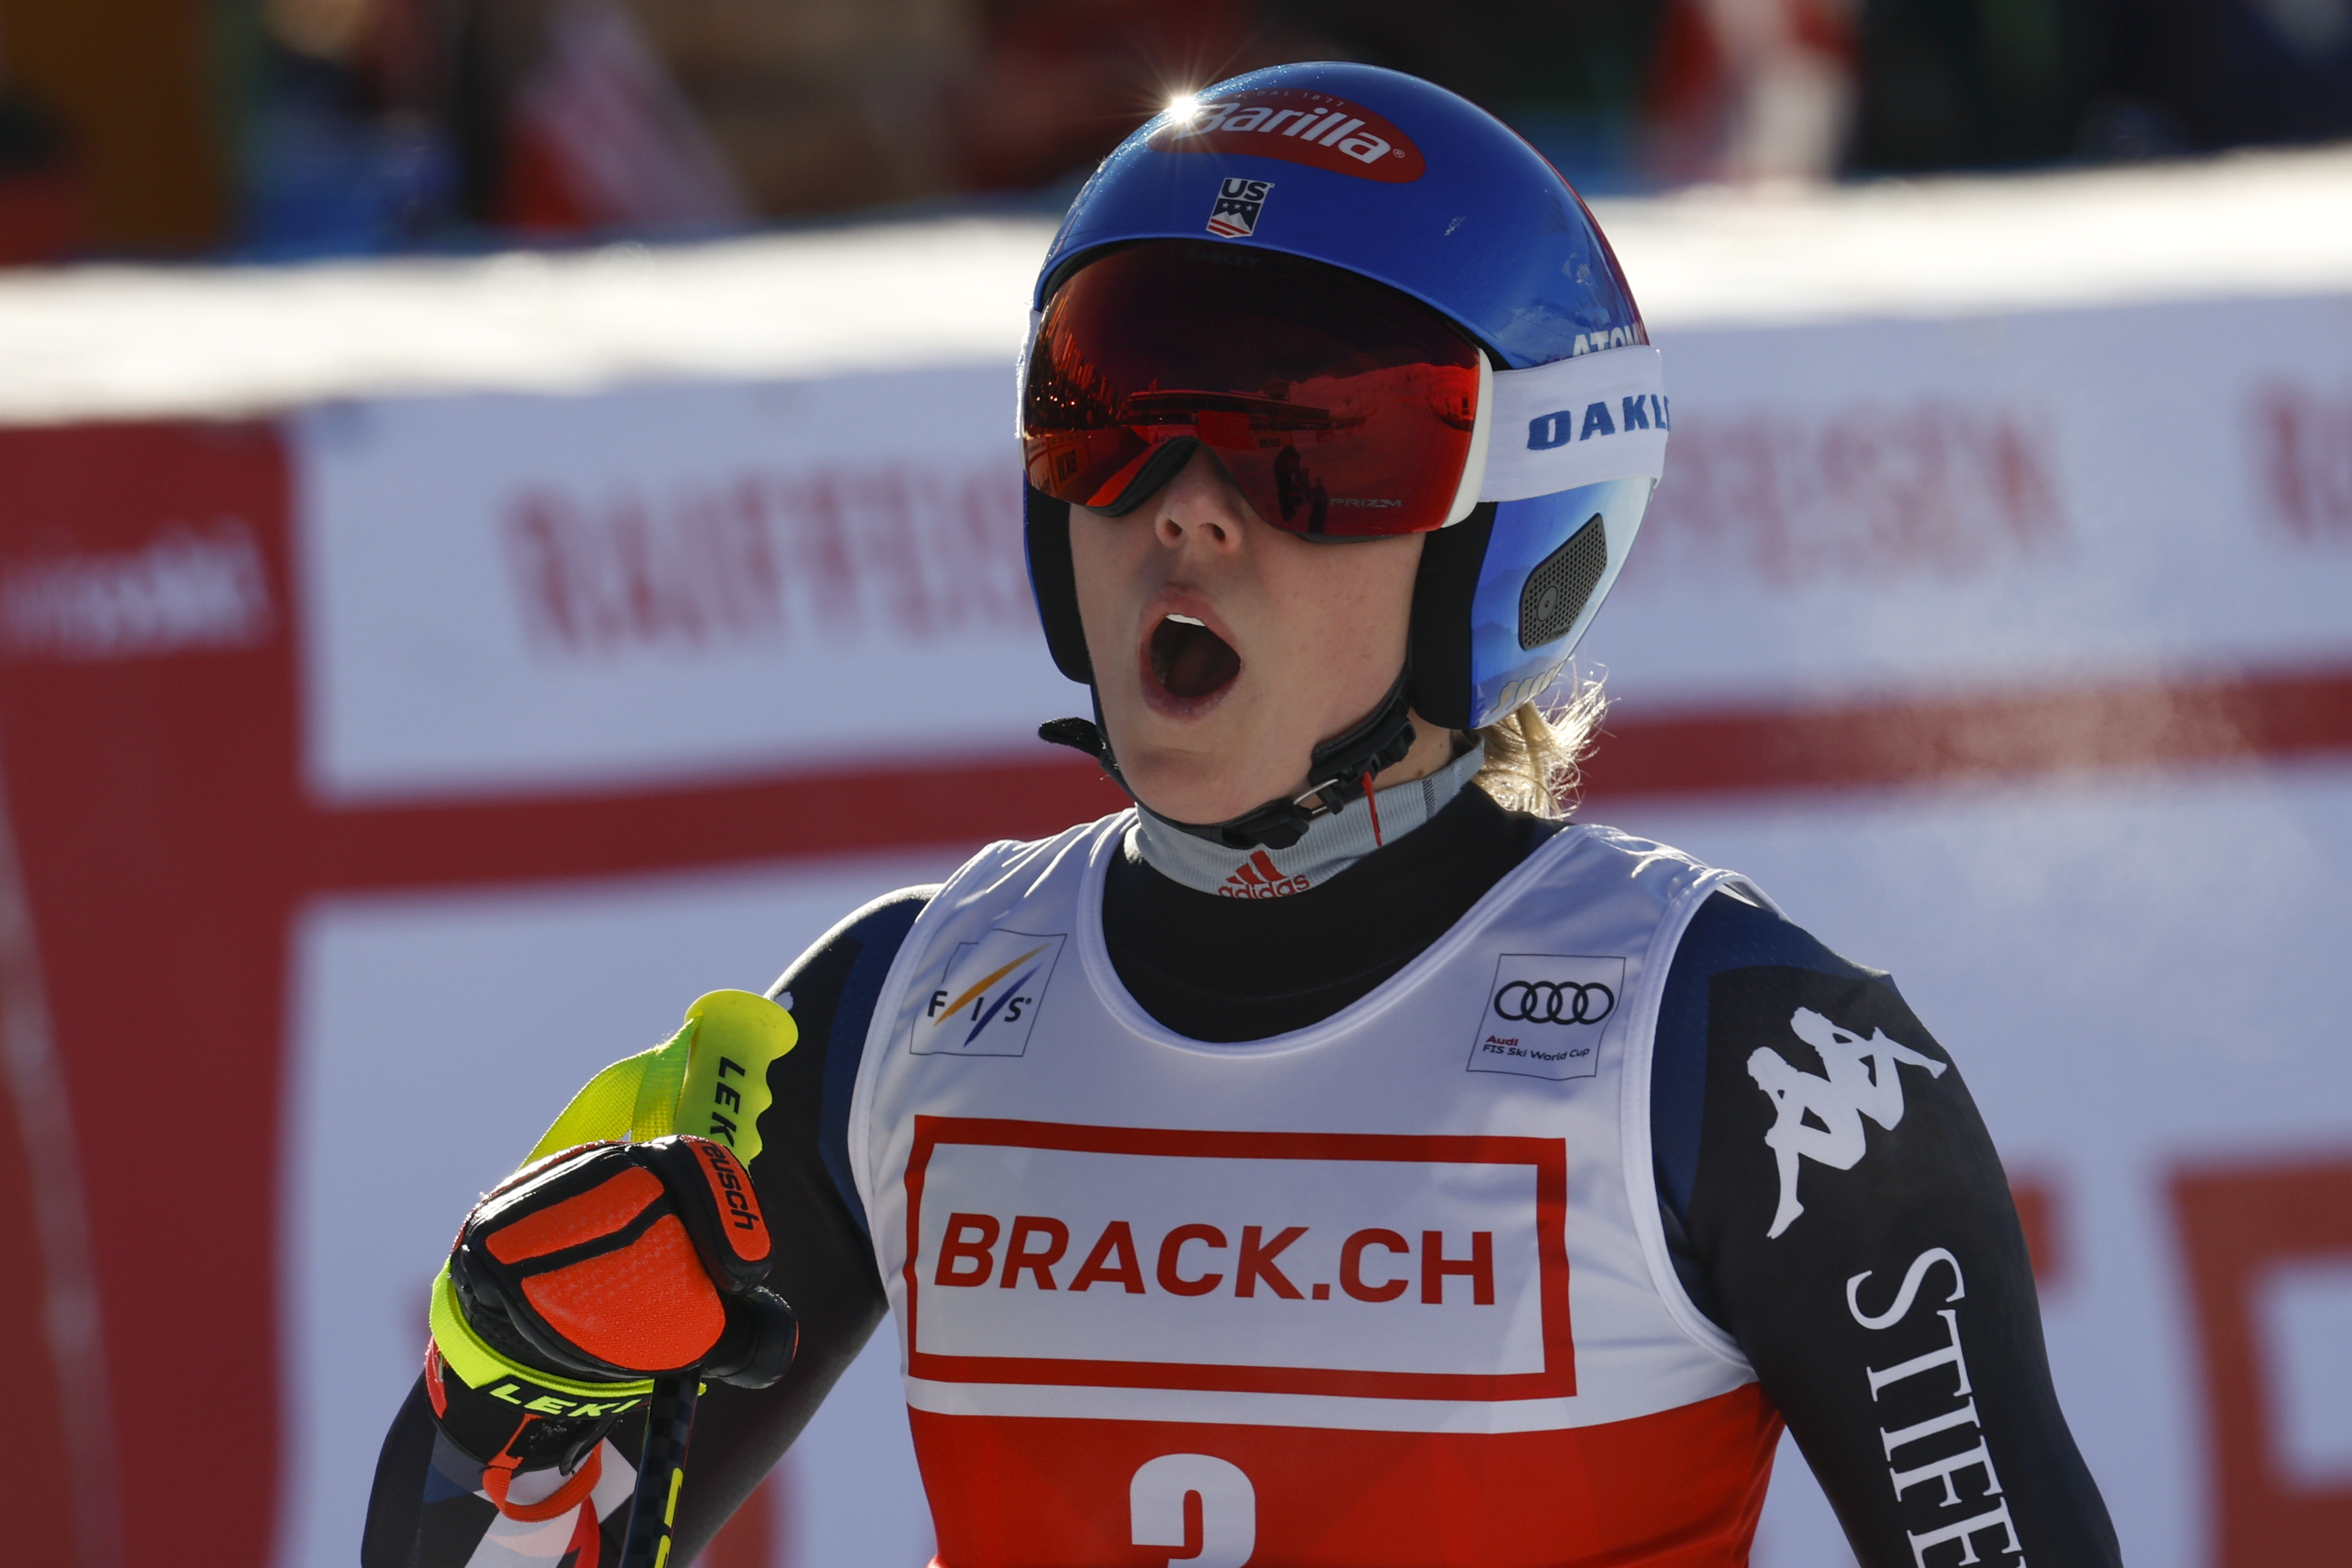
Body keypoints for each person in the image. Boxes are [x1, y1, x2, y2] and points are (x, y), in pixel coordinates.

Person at [364, 62, 2120, 1568]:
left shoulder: (1755, 1066)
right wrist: (506, 1394)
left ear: (1521, 521)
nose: (1185, 512)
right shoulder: (893, 1012)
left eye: (1319, 443)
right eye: (1111, 410)